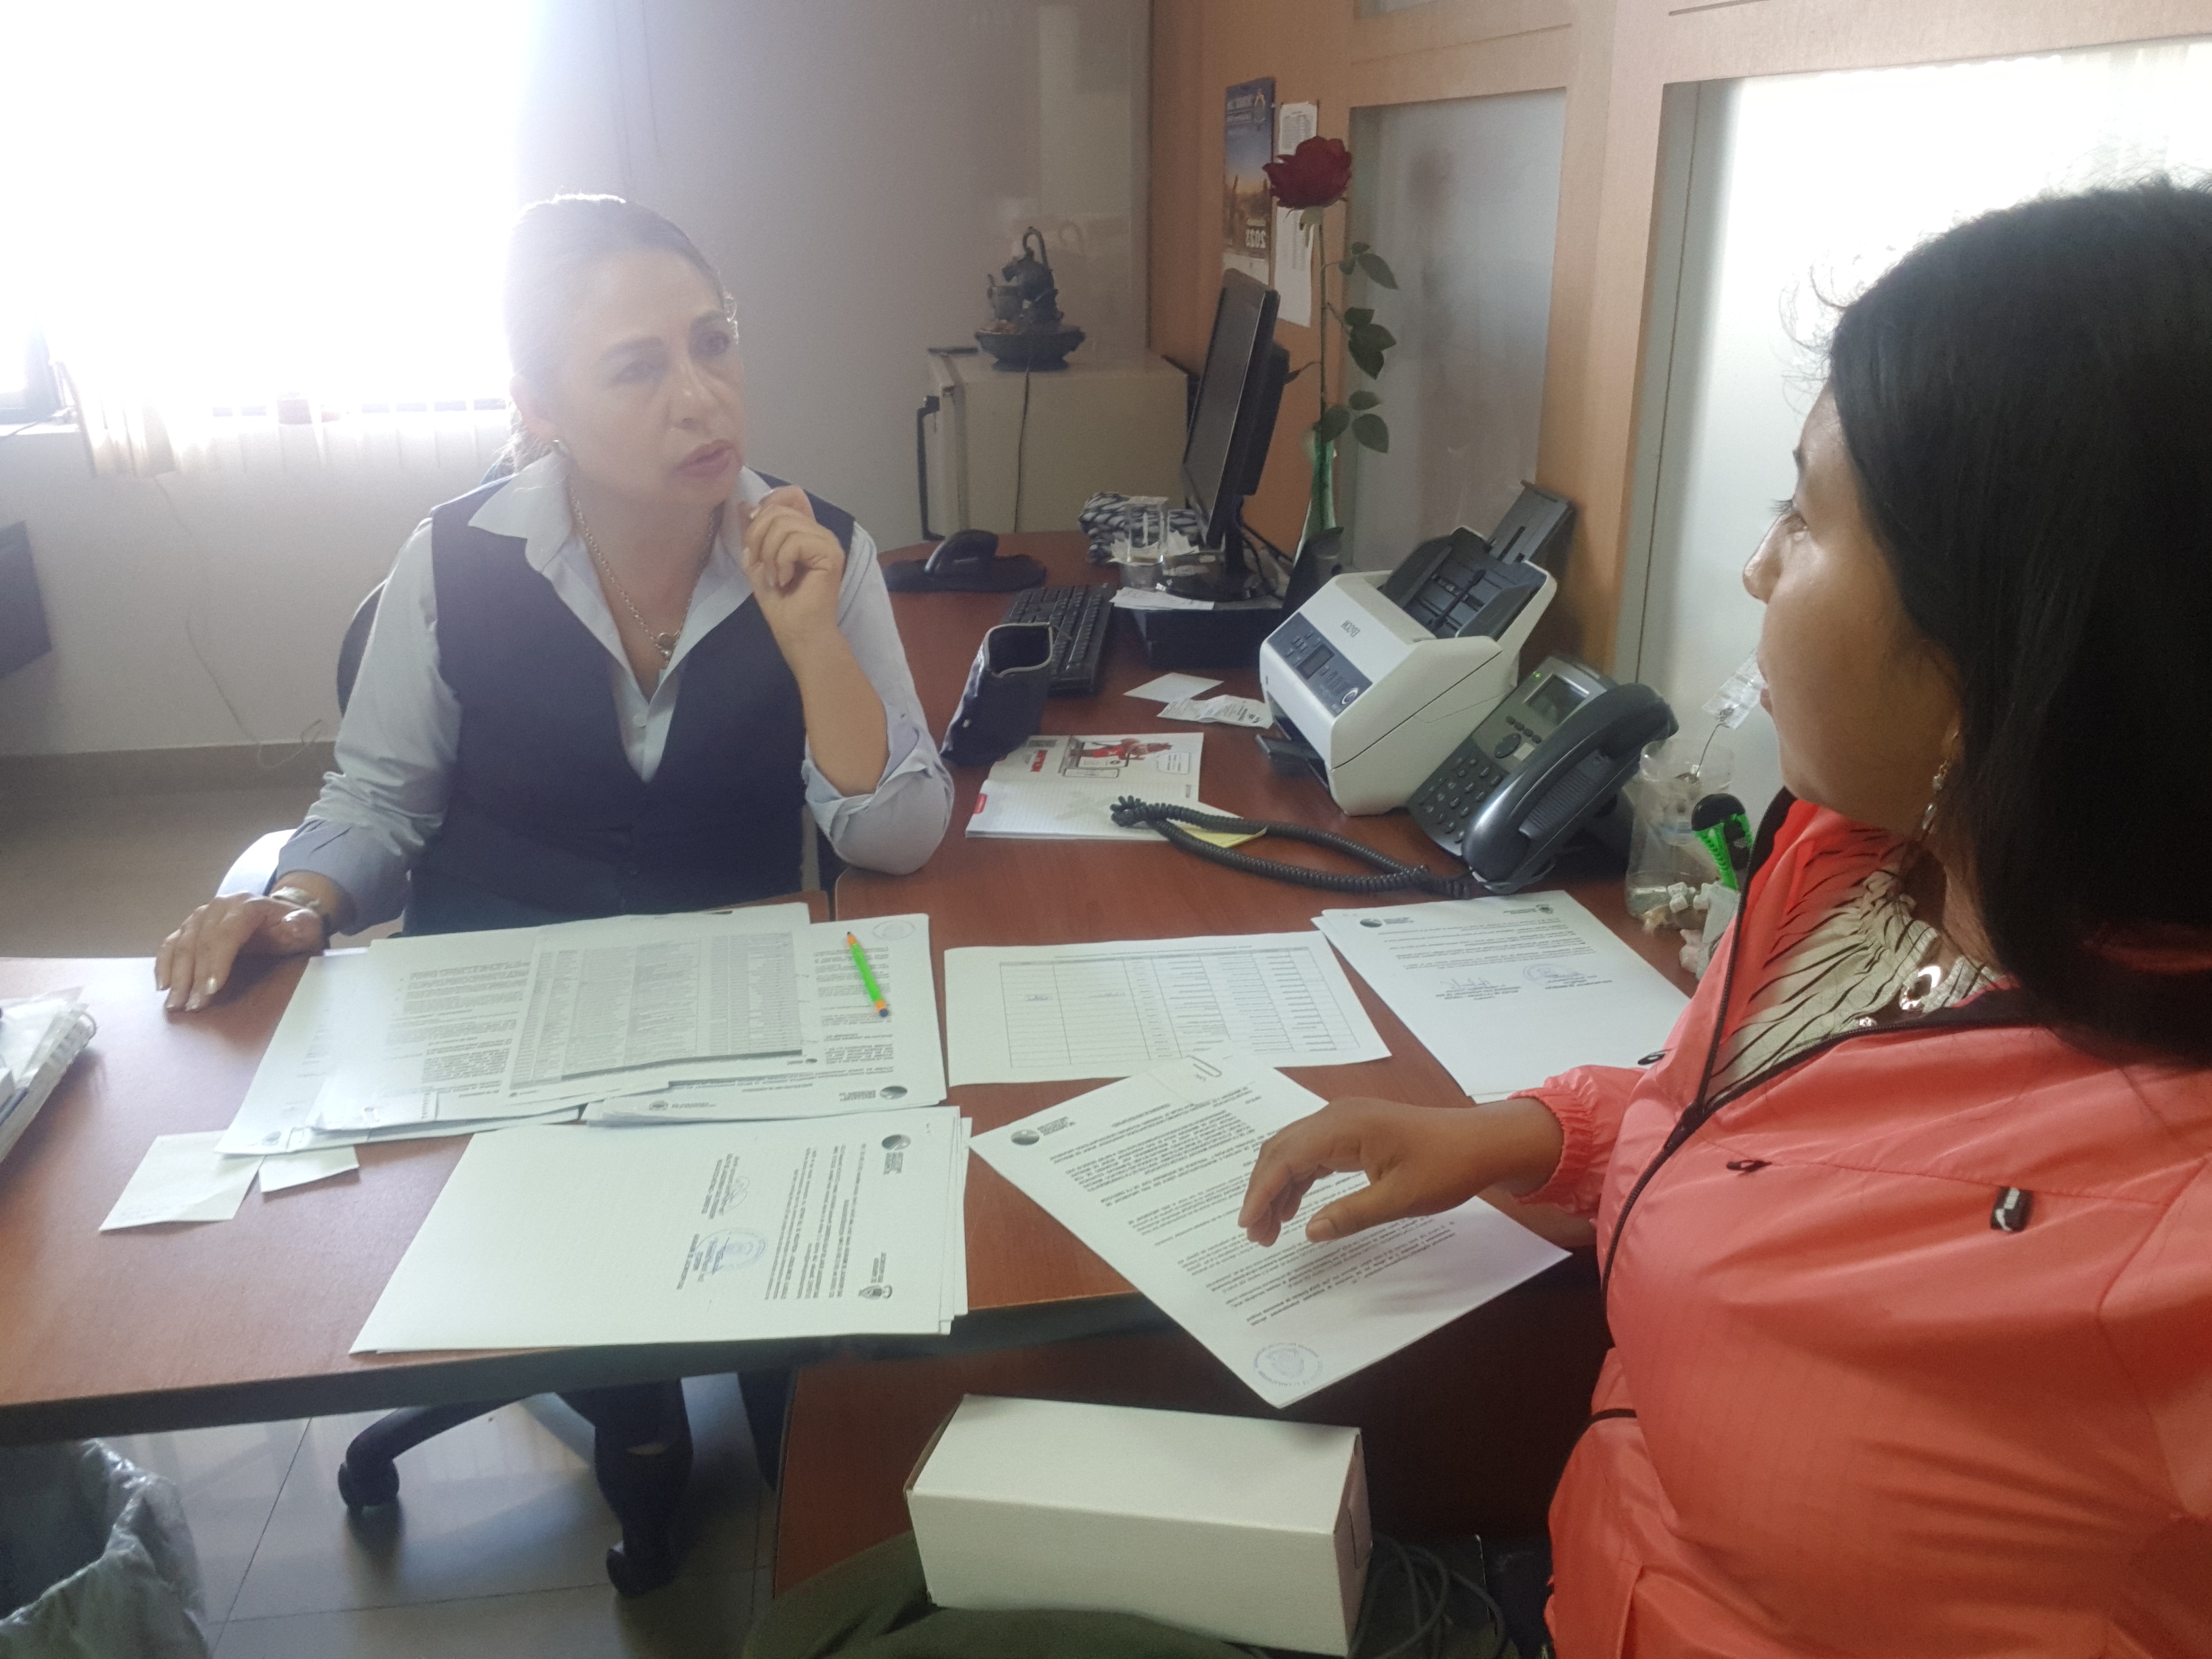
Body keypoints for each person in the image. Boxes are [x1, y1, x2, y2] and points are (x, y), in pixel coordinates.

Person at [745, 181, 2212, 1656]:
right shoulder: (1854, 865)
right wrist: (1522, 1133)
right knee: (857, 1601)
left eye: (1807, 519)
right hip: (1576, 1569)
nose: (1758, 566)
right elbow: (1740, 1123)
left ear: (2001, 632)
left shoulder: (2175, 1234)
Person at [153, 194, 955, 1593]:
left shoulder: (818, 548)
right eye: (637, 366)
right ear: (537, 406)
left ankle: (783, 1464)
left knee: (831, 1369)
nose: (699, 395)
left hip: (727, 1010)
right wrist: (302, 900)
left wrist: (814, 643)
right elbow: (377, 800)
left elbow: (895, 837)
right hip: (501, 1009)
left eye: (714, 341)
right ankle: (634, 1395)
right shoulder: (452, 557)